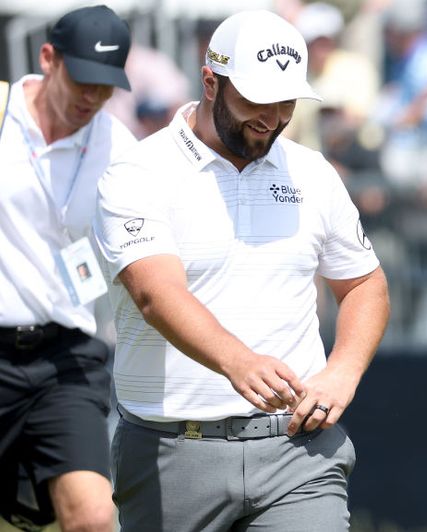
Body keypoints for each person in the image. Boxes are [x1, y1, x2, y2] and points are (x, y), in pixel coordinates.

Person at [93, 10, 389, 531]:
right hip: (171, 451)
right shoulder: (138, 173)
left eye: (286, 101)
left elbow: (364, 283)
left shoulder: (313, 173)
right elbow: (155, 294)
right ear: (210, 81)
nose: (272, 117)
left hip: (298, 451)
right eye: (256, 98)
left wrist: (344, 370)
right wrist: (239, 361)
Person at [0, 5, 134, 531]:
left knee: (95, 517)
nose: (92, 98)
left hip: (66, 358)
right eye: (83, 79)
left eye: (106, 86)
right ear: (48, 58)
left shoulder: (119, 146)